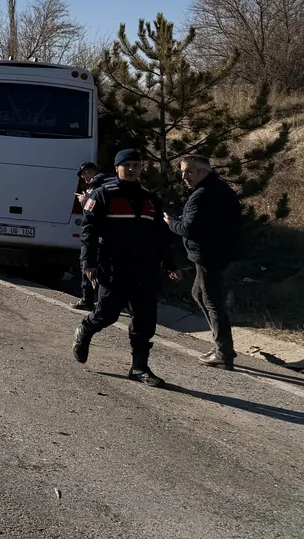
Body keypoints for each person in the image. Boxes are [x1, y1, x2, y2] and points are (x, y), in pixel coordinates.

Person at [72, 149, 178, 387]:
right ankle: (86, 329)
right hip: (113, 267)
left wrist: (170, 263)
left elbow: (161, 236)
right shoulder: (102, 195)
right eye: (127, 165)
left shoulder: (150, 198)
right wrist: (87, 262)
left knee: (145, 319)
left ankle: (139, 367)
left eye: (136, 166)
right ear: (117, 168)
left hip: (145, 269)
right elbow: (88, 232)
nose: (131, 169)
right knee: (106, 314)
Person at [164, 154, 243, 370]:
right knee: (198, 293)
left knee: (212, 301)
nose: (184, 177)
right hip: (218, 253)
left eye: (189, 171)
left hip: (209, 255)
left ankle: (223, 353)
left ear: (203, 172)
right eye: (182, 172)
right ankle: (222, 345)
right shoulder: (220, 189)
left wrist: (170, 222)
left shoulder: (202, 195)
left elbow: (189, 228)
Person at [70, 161, 112, 311]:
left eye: (84, 176)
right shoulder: (113, 181)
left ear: (89, 173)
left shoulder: (95, 186)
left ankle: (87, 299)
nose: (85, 180)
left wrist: (83, 201)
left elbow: (91, 213)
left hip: (98, 234)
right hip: (116, 236)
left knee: (87, 264)